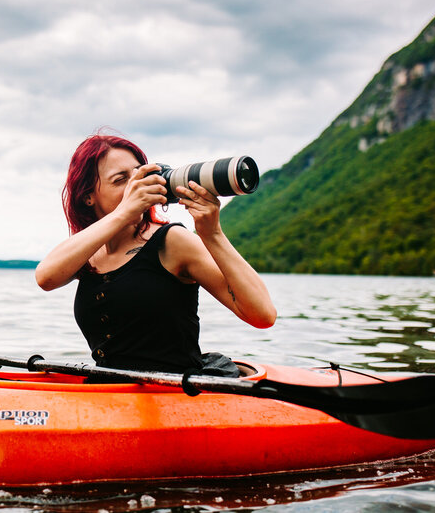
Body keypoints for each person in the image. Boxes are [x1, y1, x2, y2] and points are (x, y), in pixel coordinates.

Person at [35, 134, 276, 378]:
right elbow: (46, 278)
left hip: (173, 396)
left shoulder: (172, 242)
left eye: (140, 175)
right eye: (121, 180)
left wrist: (212, 234)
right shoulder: (88, 252)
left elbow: (262, 315)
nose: (137, 187)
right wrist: (124, 212)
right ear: (88, 196)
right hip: (109, 395)